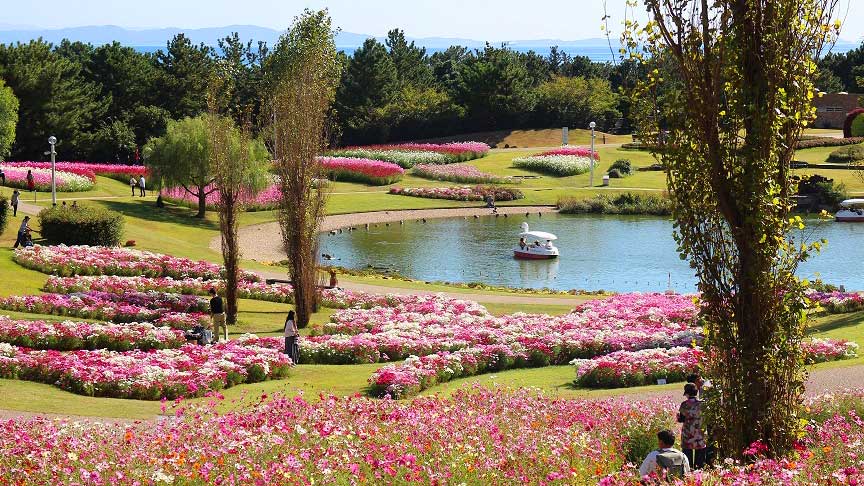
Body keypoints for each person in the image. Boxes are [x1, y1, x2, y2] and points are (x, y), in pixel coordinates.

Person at [678, 382, 708, 469]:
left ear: (686, 393)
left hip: (688, 434)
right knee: (700, 457)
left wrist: (678, 418)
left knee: (687, 456)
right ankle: (699, 471)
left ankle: (688, 471)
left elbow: (682, 419)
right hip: (700, 433)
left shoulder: (684, 405)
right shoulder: (703, 404)